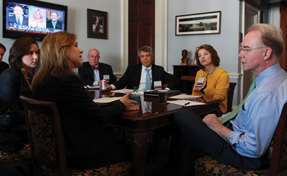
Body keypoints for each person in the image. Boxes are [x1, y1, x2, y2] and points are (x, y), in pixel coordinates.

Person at [167, 23, 287, 176]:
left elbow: (252, 148)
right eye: (241, 49)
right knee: (186, 137)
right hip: (237, 134)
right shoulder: (278, 78)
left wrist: (218, 127)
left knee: (181, 115)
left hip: (244, 156)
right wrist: (221, 120)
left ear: (266, 53)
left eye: (246, 49)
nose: (240, 54)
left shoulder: (266, 92)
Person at [31, 32, 139, 169]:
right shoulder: (67, 80)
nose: (81, 50)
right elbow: (99, 116)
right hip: (78, 154)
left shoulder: (41, 80)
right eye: (76, 45)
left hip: (52, 150)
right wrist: (122, 104)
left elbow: (86, 108)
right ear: (62, 50)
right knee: (133, 149)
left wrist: (117, 103)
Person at [0, 37, 39, 151]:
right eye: (30, 53)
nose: (36, 57)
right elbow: (12, 112)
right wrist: (38, 117)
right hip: (14, 128)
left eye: (37, 52)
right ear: (19, 54)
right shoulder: (9, 75)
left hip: (26, 124)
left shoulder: (29, 77)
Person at [107, 46, 180, 91]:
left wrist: (166, 90)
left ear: (152, 57)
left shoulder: (159, 70)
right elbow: (121, 82)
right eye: (142, 56)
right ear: (140, 59)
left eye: (147, 56)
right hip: (135, 97)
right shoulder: (132, 69)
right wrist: (111, 87)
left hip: (153, 98)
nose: (145, 58)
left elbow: (175, 79)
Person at [192, 44, 229, 115]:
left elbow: (218, 98)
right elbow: (195, 93)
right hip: (199, 107)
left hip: (216, 109)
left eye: (205, 54)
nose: (202, 57)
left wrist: (202, 106)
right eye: (199, 56)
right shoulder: (200, 73)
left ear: (212, 55)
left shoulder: (222, 74)